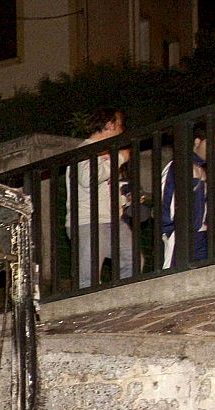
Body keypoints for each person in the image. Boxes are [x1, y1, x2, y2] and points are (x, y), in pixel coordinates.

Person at [72, 107, 135, 287]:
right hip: (88, 222)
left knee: (132, 261)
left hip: (112, 220)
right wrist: (120, 158)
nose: (122, 131)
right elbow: (88, 179)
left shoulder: (106, 153)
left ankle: (125, 303)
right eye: (120, 126)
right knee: (89, 279)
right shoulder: (84, 150)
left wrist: (125, 201)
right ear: (110, 125)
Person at [161, 130, 215, 269]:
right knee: (174, 275)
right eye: (212, 143)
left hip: (200, 233)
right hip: (181, 232)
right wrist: (171, 229)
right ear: (197, 142)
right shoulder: (177, 166)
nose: (214, 148)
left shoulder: (201, 169)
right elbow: (167, 199)